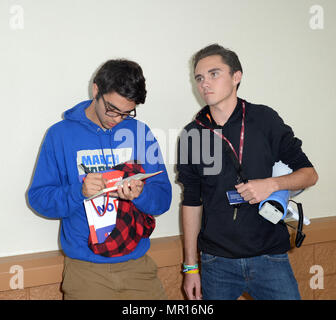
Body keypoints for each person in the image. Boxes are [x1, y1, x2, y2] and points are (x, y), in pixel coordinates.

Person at [177, 44, 318, 300]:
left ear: (236, 76)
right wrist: (190, 267)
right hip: (215, 262)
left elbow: (309, 174)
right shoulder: (192, 134)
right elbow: (191, 202)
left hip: (270, 258)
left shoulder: (265, 119)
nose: (205, 83)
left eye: (214, 74)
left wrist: (272, 184)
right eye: (199, 78)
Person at [28, 59, 172, 300]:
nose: (117, 119)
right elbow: (38, 198)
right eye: (112, 109)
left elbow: (163, 198)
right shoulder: (59, 135)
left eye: (127, 113)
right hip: (86, 271)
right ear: (96, 90)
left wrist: (141, 194)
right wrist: (78, 192)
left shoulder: (139, 132)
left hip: (138, 267)